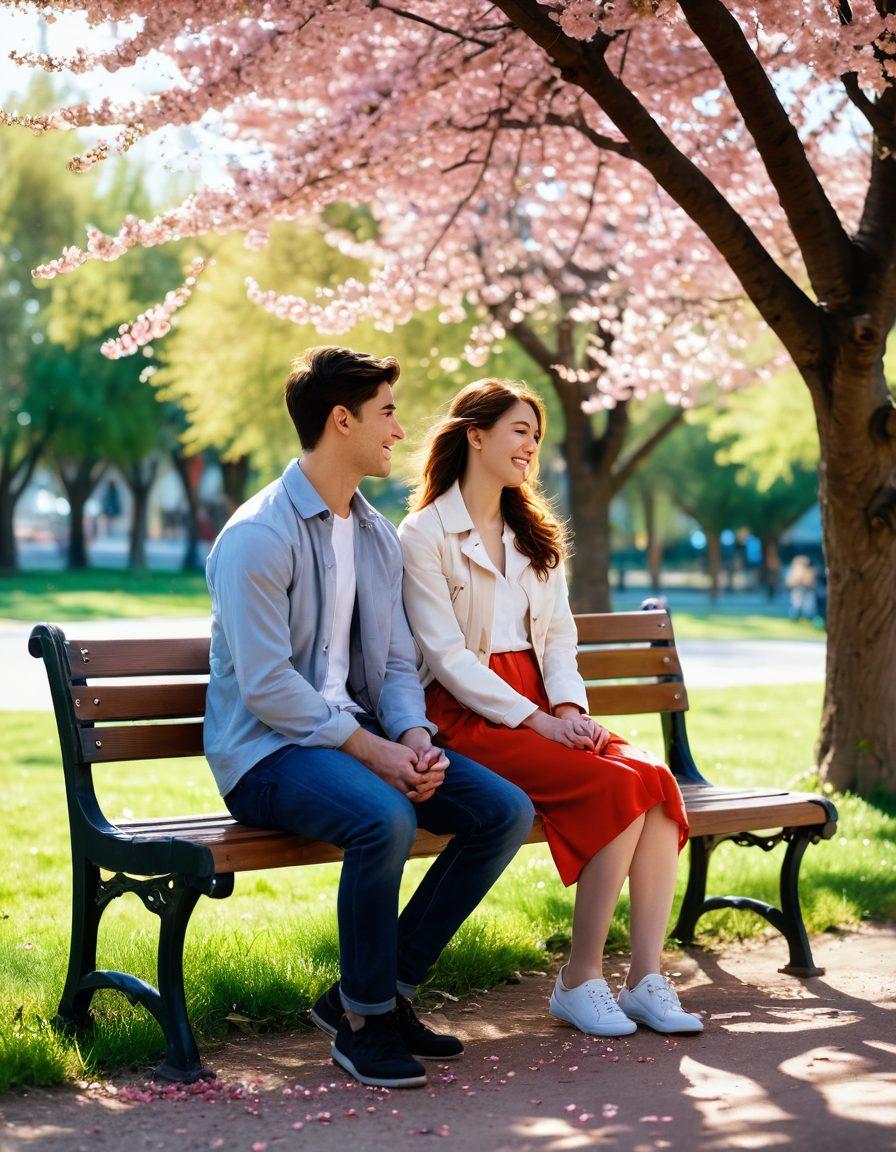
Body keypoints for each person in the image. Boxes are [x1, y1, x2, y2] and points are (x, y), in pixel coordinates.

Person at [204, 349, 535, 1090]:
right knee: (384, 817)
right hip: (264, 754)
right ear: (341, 420)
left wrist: (412, 736)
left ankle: (385, 996)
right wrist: (370, 751)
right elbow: (265, 687)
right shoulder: (259, 535)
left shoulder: (377, 536)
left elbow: (391, 664)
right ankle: (362, 1023)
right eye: (386, 411)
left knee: (503, 811)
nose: (399, 428)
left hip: (357, 743)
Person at [398, 379, 703, 1038]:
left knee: (654, 780)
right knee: (614, 786)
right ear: (474, 434)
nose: (530, 446)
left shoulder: (534, 535)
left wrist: (568, 707)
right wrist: (539, 721)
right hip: (467, 713)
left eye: (535, 435)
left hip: (543, 701)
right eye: (518, 430)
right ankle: (579, 980)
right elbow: (446, 657)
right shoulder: (423, 534)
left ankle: (646, 977)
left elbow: (559, 637)